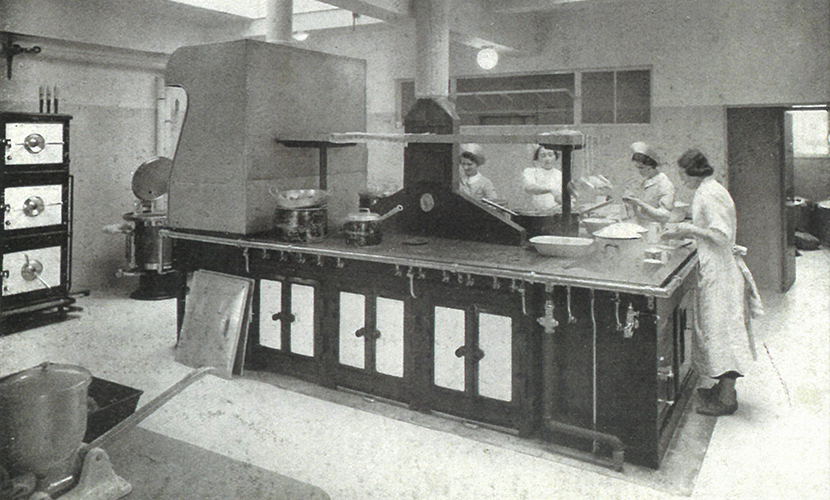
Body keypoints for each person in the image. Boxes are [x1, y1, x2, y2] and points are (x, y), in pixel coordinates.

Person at [662, 149, 762, 417]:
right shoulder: (708, 189)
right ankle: (721, 388)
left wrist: (687, 230)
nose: (682, 180)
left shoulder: (709, 193)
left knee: (722, 333)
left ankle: (727, 399)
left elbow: (720, 236)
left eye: (682, 175)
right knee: (716, 331)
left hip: (721, 273)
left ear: (691, 172)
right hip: (715, 268)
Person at [622, 142, 675, 224]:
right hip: (641, 225)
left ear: (651, 166)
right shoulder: (646, 181)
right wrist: (631, 202)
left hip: (655, 228)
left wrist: (639, 203)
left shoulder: (664, 184)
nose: (639, 171)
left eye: (641, 168)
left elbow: (665, 215)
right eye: (637, 168)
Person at [522, 144, 562, 212]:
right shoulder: (530, 172)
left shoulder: (559, 174)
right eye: (543, 156)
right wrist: (550, 190)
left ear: (555, 157)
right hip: (536, 213)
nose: (547, 159)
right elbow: (528, 187)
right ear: (537, 158)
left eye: (550, 155)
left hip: (556, 213)